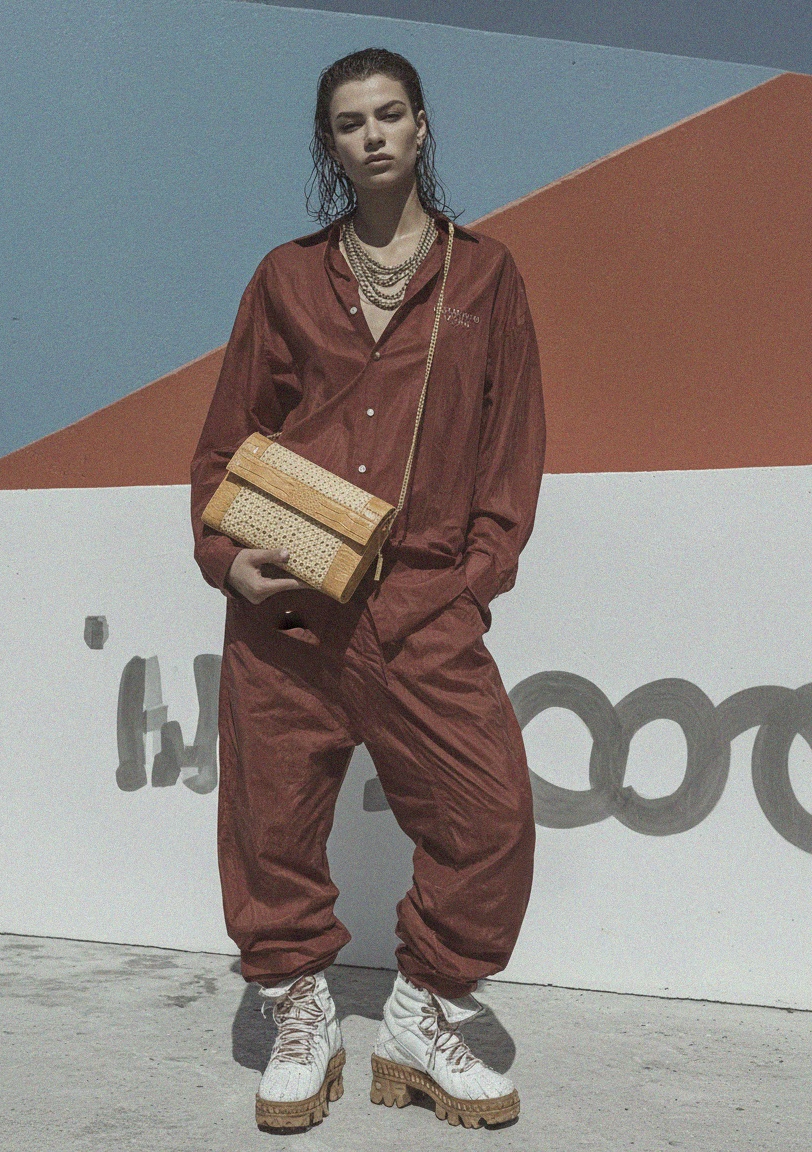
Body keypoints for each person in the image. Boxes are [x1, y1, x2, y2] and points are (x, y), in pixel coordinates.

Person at [190, 47, 545, 1132]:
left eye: (391, 114)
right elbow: (223, 449)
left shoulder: (484, 277)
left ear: (422, 127)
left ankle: (421, 1014)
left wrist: (469, 584)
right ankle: (298, 1007)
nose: (374, 134)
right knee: (273, 826)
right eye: (350, 122)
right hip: (288, 609)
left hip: (421, 608)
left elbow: (510, 448)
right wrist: (225, 560)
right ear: (329, 145)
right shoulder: (284, 279)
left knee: (489, 816)